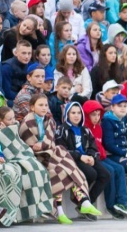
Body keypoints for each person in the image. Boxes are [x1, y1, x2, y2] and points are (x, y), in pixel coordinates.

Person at [19, 92, 101, 223]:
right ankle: (62, 210)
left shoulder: (50, 121)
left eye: (46, 105)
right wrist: (43, 145)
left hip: (50, 154)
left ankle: (83, 201)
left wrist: (43, 145)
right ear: (32, 107)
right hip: (36, 158)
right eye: (40, 105)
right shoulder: (26, 123)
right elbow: (31, 146)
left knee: (67, 166)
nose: (44, 108)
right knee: (61, 171)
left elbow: (50, 142)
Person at [54, 101, 110, 216]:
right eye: (73, 113)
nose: (76, 115)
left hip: (86, 157)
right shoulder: (62, 130)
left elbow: (93, 146)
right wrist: (80, 156)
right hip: (72, 160)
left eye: (79, 113)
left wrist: (92, 156)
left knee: (105, 174)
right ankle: (79, 198)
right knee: (91, 174)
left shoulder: (85, 130)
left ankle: (86, 204)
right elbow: (61, 150)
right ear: (67, 114)